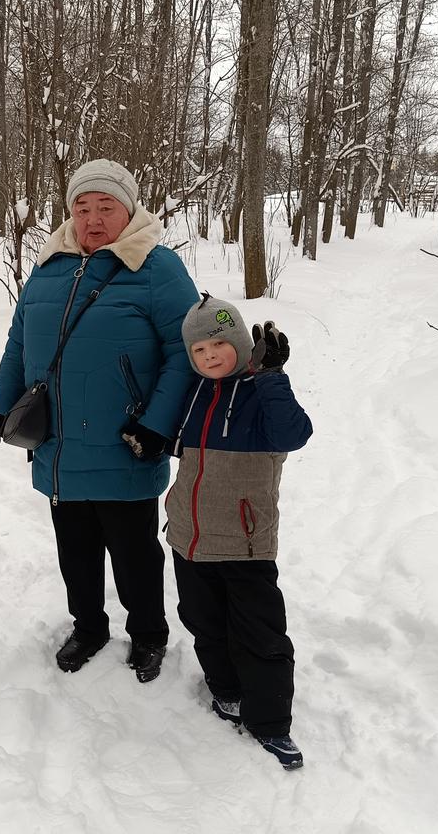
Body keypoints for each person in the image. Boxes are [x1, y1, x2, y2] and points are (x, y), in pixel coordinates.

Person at [0, 158, 198, 682]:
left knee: (134, 554)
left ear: (129, 210)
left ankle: (149, 632)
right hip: (58, 442)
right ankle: (89, 626)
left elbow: (185, 351)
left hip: (125, 440)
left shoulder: (156, 267)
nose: (92, 218)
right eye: (82, 207)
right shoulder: (48, 267)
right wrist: (3, 400)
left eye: (106, 206)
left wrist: (157, 424)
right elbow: (19, 341)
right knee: (74, 549)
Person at [164, 295, 313, 770]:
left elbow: (294, 435)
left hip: (245, 543)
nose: (209, 356)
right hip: (190, 537)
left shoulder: (260, 393)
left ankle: (270, 723)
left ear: (241, 344)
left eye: (218, 345)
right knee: (203, 622)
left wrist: (270, 376)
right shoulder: (195, 392)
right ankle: (226, 692)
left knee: (260, 633)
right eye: (199, 350)